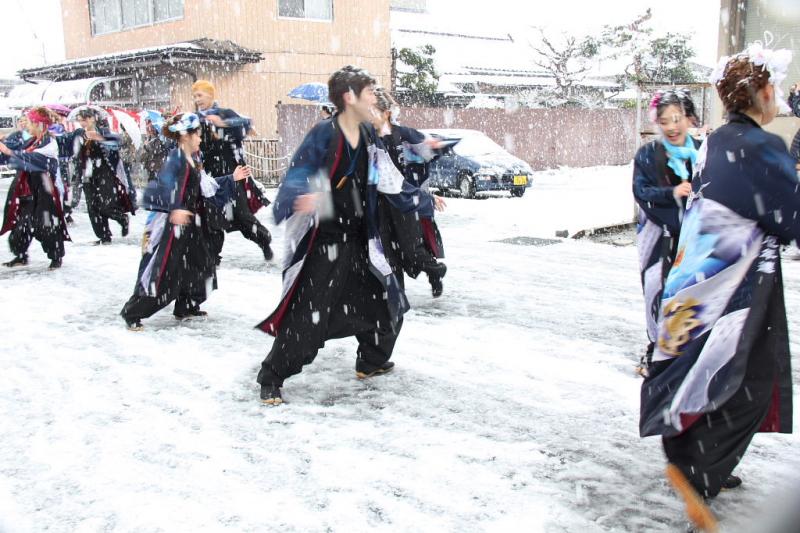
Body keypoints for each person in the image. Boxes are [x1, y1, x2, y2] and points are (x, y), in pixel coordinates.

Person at [639, 44, 797, 523]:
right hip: (738, 279)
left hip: (700, 274)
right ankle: (698, 467)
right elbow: (789, 215)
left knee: (702, 364)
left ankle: (693, 456)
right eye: (778, 89)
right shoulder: (758, 145)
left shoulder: (718, 141)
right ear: (763, 92)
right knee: (747, 376)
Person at [255, 66, 434, 405]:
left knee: (386, 300)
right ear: (349, 98)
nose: (375, 99)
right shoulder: (325, 133)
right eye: (370, 92)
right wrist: (301, 196)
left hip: (361, 240)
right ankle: (272, 375)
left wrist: (422, 197)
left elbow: (388, 179)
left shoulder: (368, 135)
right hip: (326, 242)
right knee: (308, 316)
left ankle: (372, 360)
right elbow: (300, 172)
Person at [120, 113, 250, 330]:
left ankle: (186, 306)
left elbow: (205, 186)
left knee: (200, 265)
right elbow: (158, 190)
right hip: (173, 226)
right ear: (186, 136)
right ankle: (132, 312)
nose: (200, 138)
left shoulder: (194, 158)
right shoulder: (175, 159)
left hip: (191, 223)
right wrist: (175, 208)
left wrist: (231, 178)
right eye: (197, 134)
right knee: (165, 270)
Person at [632, 89, 700, 376]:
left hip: (696, 235)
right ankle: (656, 349)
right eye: (664, 121)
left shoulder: (704, 151)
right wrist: (671, 193)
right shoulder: (648, 154)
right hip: (658, 235)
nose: (671, 127)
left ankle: (687, 352)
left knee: (693, 292)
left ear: (689, 118)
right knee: (656, 290)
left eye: (677, 119)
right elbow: (641, 191)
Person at [372, 87, 447, 297]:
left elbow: (429, 151)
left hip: (406, 200)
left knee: (411, 250)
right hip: (381, 203)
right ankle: (396, 295)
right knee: (387, 252)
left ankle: (435, 271)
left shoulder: (402, 134)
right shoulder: (368, 137)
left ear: (386, 112)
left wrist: (435, 146)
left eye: (374, 111)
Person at [192, 80, 273, 264]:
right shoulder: (196, 118)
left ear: (211, 95)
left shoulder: (224, 113)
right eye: (195, 96)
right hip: (211, 175)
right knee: (211, 217)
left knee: (241, 216)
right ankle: (213, 257)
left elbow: (248, 125)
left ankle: (263, 241)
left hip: (232, 172)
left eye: (200, 95)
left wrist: (223, 123)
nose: (197, 100)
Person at [0, 107, 70, 269]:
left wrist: (10, 152)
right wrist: (6, 152)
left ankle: (56, 256)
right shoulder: (30, 141)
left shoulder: (50, 143)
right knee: (21, 223)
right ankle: (21, 255)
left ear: (39, 124)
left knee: (45, 224)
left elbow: (35, 160)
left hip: (44, 188)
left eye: (30, 122)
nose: (27, 126)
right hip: (27, 188)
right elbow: (15, 155)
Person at [71, 107, 135, 244]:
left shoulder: (103, 131)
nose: (83, 122)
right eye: (81, 120)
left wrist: (99, 138)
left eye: (86, 119)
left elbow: (117, 142)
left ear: (93, 118)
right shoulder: (79, 134)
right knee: (92, 206)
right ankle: (103, 235)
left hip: (104, 171)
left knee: (106, 204)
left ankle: (121, 218)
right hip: (87, 173)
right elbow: (74, 151)